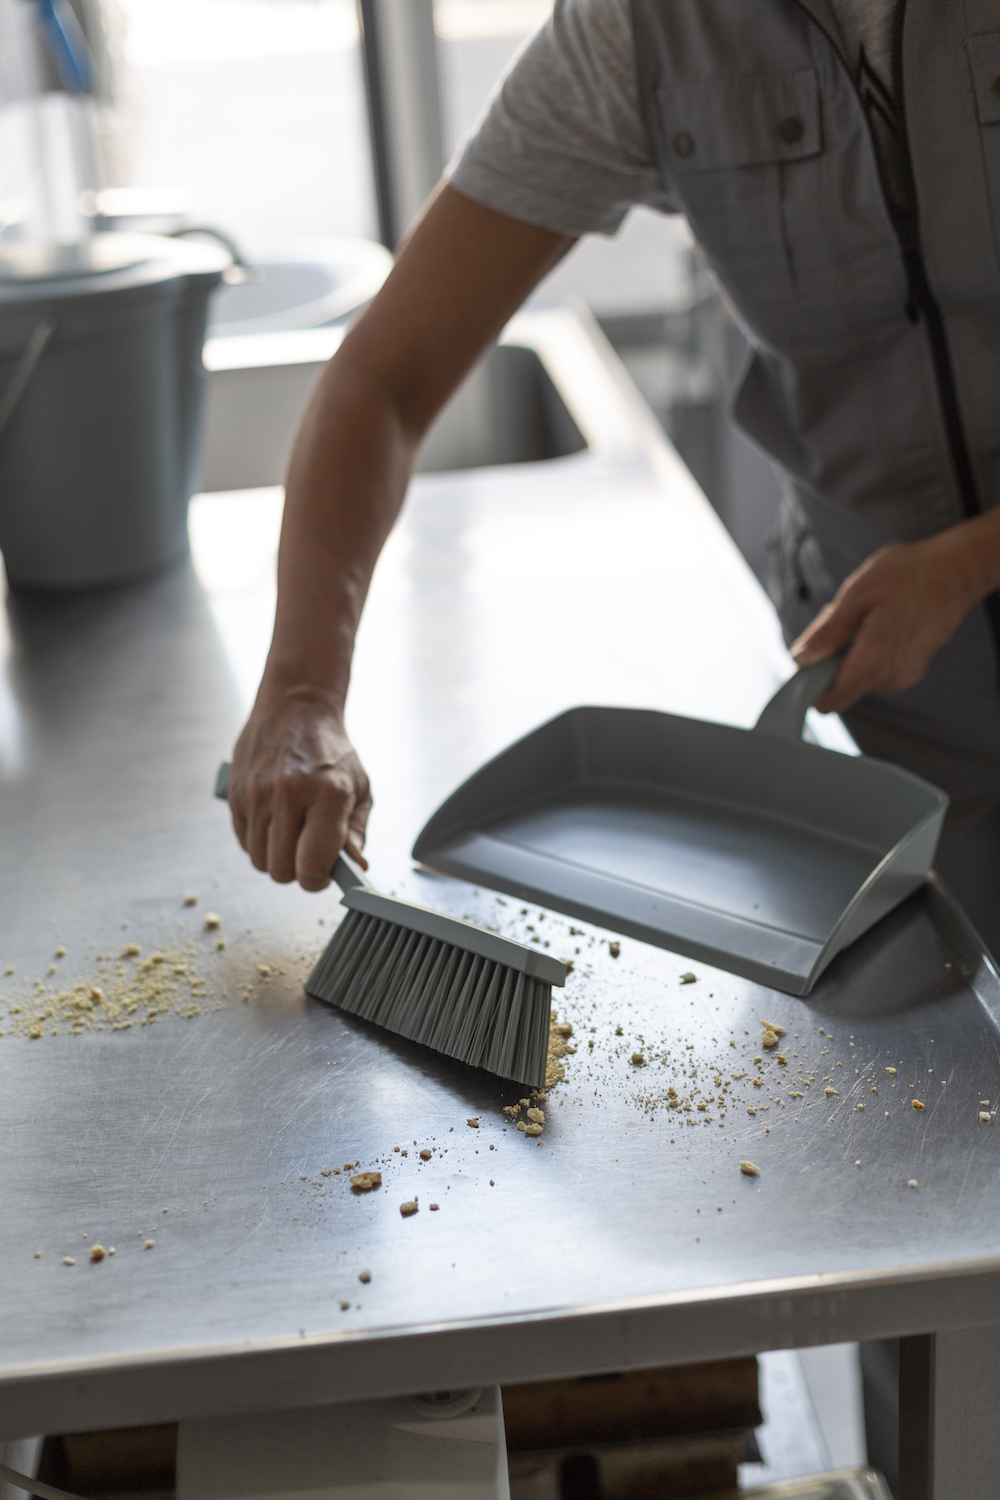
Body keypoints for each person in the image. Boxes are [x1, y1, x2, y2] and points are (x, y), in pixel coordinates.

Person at [227, 0, 1000, 958]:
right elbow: (384, 380)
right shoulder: (637, 31)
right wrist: (301, 690)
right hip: (884, 712)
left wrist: (967, 562)